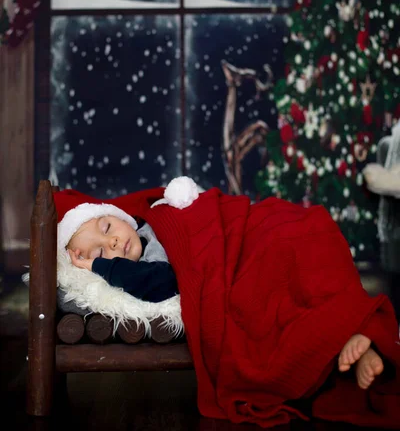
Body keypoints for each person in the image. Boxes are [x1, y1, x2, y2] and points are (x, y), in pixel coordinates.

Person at [55, 178, 400, 428]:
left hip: (246, 230)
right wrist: (101, 266)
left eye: (107, 226)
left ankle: (356, 326)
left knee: (302, 235)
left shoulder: (155, 220)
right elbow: (161, 283)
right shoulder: (145, 267)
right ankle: (349, 334)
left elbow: (210, 215)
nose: (114, 241)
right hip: (228, 264)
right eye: (103, 251)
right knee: (271, 290)